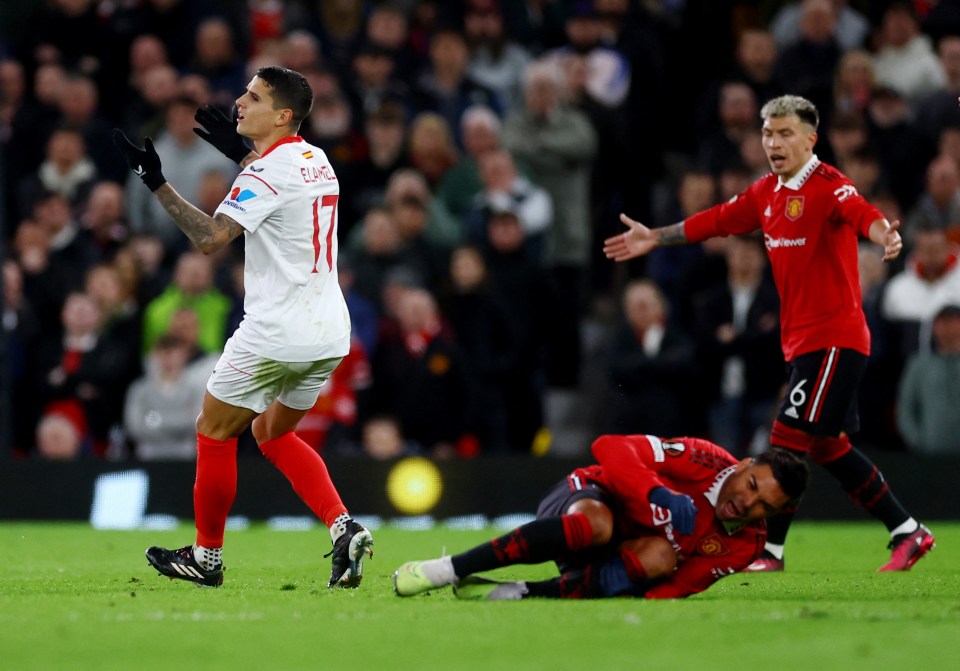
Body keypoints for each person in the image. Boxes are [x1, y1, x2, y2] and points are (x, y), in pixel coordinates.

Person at [603, 94, 935, 573]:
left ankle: (769, 551)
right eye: (767, 133)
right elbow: (715, 220)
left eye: (784, 134)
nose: (773, 143)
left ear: (810, 139)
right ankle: (908, 531)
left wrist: (886, 236)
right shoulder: (766, 193)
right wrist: (656, 235)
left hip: (834, 340)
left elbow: (864, 213)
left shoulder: (828, 184)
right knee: (826, 446)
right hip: (804, 345)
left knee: (784, 444)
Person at [113, 65, 374, 589]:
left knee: (213, 431)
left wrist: (156, 182)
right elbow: (281, 185)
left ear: (281, 114)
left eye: (252, 97)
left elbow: (211, 238)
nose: (238, 102)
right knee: (272, 432)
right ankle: (343, 528)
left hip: (278, 328)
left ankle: (206, 558)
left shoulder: (262, 174)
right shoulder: (315, 158)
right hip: (327, 330)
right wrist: (240, 155)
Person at [393, 434, 809, 600]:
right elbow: (609, 446)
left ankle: (522, 592)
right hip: (583, 501)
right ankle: (447, 568)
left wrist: (633, 593)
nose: (747, 505)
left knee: (661, 559)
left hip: (608, 563)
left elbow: (680, 585)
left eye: (764, 507)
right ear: (744, 465)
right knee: (597, 524)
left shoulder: (746, 543)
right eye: (751, 486)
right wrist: (657, 491)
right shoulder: (702, 458)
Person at [895, 303, 960, 455]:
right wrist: (918, 442)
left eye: (953, 321)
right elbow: (905, 409)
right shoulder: (918, 365)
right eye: (942, 322)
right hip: (929, 453)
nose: (948, 327)